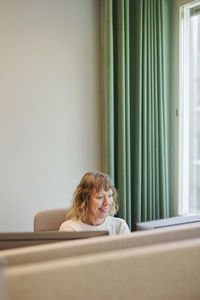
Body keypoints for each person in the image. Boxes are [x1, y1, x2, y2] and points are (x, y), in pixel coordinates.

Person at [59, 171, 130, 235]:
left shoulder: (120, 226)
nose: (107, 203)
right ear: (85, 199)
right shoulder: (69, 229)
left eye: (110, 196)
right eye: (100, 197)